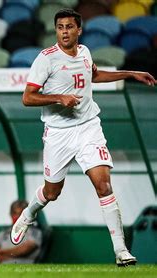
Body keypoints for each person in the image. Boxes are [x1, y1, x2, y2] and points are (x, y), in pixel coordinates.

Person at [10, 9, 156, 267]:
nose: (64, 31)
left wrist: (130, 74)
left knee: (104, 185)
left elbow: (95, 76)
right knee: (52, 192)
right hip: (58, 133)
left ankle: (121, 251)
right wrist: (59, 97)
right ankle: (29, 213)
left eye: (69, 27)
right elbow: (27, 97)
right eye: (60, 27)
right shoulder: (46, 59)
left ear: (79, 30)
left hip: (88, 127)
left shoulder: (85, 52)